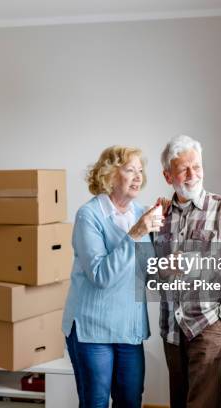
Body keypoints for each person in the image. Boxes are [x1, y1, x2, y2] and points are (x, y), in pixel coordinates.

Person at [62, 145, 162, 408]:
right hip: (92, 329)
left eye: (141, 171)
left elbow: (147, 272)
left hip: (129, 328)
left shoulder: (142, 214)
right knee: (95, 403)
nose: (139, 177)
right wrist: (136, 234)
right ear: (108, 175)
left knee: (130, 401)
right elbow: (100, 276)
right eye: (130, 170)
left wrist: (164, 255)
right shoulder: (89, 215)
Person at [155, 135, 221, 408]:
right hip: (172, 331)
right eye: (183, 168)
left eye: (196, 166)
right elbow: (150, 273)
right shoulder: (159, 216)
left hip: (208, 327)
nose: (192, 174)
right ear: (167, 175)